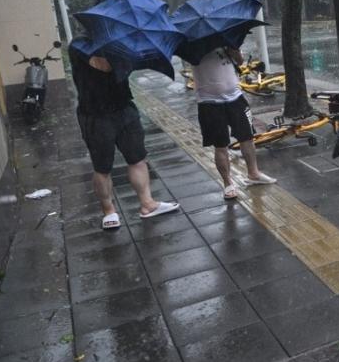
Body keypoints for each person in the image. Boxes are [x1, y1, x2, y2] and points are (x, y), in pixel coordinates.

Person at [69, 44, 180, 230]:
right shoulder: (80, 45)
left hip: (124, 109)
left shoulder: (121, 44)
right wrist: (123, 55)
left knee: (137, 159)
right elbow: (103, 65)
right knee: (102, 167)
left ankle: (147, 203)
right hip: (95, 116)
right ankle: (109, 211)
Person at [191, 47, 275, 199]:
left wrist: (234, 52)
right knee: (220, 145)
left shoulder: (226, 38)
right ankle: (228, 183)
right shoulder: (193, 44)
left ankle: (253, 173)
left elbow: (240, 61)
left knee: (247, 137)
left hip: (236, 98)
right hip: (209, 103)